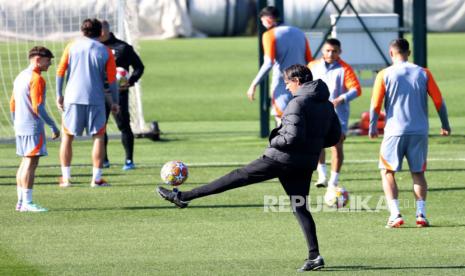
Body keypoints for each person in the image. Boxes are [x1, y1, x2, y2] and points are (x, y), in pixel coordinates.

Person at [158, 64, 341, 271]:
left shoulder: (297, 103)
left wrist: (274, 139)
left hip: (281, 159)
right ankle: (314, 256)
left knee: (237, 177)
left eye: (287, 82)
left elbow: (291, 137)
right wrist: (313, 145)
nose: (286, 86)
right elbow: (334, 136)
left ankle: (183, 197)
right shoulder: (326, 104)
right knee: (300, 208)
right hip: (305, 163)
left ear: (297, 81)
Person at [369, 38, 451, 228]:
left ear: (391, 53)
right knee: (418, 172)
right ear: (409, 52)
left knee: (387, 171)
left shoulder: (384, 74)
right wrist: (445, 124)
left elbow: (375, 104)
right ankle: (421, 214)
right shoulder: (424, 73)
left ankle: (395, 214)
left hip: (394, 132)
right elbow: (439, 102)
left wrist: (373, 126)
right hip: (419, 131)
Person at [56, 18, 119, 188]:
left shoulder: (71, 46)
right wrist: (115, 102)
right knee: (98, 137)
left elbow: (60, 71)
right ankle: (96, 179)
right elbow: (112, 80)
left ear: (82, 31)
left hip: (72, 97)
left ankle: (66, 178)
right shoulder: (106, 51)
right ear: (101, 32)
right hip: (96, 98)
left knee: (67, 137)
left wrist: (58, 95)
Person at [10, 46, 60, 212]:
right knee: (31, 163)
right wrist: (53, 125)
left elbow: (12, 104)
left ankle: (20, 202)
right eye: (48, 60)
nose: (50, 64)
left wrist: (16, 122)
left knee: (25, 162)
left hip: (20, 125)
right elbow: (38, 106)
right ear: (38, 59)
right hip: (32, 127)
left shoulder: (20, 77)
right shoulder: (36, 79)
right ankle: (28, 202)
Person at [308, 38, 361, 189]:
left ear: (340, 52)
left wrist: (341, 99)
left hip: (338, 115)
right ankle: (322, 176)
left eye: (334, 51)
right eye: (328, 50)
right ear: (323, 51)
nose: (331, 53)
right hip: (317, 112)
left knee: (336, 145)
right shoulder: (313, 66)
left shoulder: (345, 68)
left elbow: (356, 89)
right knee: (318, 145)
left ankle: (334, 180)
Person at [246, 6, 312, 125]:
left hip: (283, 84)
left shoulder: (269, 35)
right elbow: (309, 60)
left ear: (269, 19)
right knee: (301, 121)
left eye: (262, 20)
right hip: (302, 84)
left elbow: (268, 63)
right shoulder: (299, 32)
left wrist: (254, 84)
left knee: (282, 121)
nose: (262, 23)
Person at [100, 20, 145, 170]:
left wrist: (130, 81)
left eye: (101, 30)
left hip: (118, 93)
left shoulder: (123, 48)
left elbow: (139, 67)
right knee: (100, 127)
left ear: (106, 30)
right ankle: (103, 160)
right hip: (98, 92)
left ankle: (129, 161)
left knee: (123, 125)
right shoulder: (94, 48)